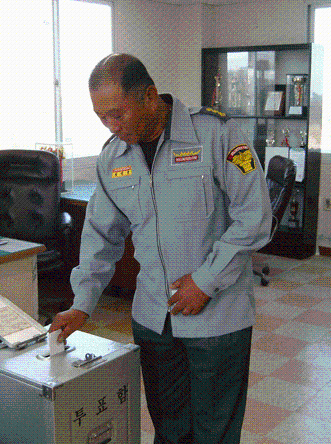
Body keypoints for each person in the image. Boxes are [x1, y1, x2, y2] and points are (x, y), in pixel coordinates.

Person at [49, 54, 272, 443]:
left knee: (215, 434)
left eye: (118, 114)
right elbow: (100, 236)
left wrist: (206, 281)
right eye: (102, 118)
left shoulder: (216, 134)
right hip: (154, 320)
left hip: (217, 319)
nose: (112, 126)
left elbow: (255, 217)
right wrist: (82, 303)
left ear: (150, 96)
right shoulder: (112, 157)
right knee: (169, 432)